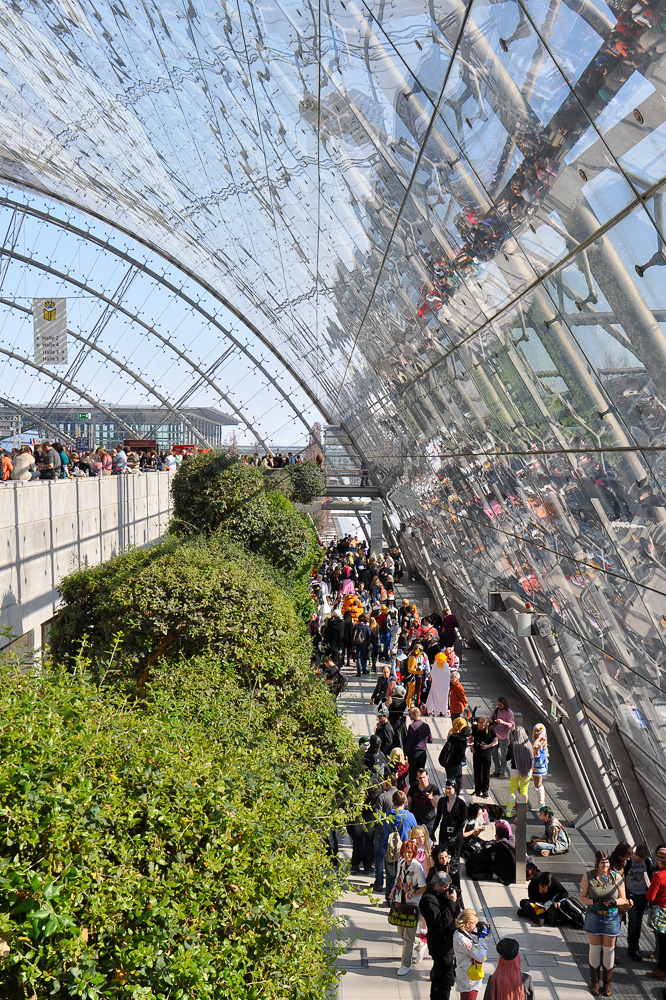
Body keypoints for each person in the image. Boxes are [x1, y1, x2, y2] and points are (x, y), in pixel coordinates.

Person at [580, 848, 631, 995]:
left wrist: (613, 901)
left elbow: (623, 898)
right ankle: (595, 982)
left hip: (611, 916)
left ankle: (607, 982)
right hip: (594, 915)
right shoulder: (588, 876)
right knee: (595, 949)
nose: (605, 866)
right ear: (596, 863)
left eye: (607, 863)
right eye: (602, 863)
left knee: (609, 950)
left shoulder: (616, 877)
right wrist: (594, 902)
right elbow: (582, 897)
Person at [391, 839, 427, 976]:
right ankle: (420, 945)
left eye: (410, 853)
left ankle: (406, 964)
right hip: (402, 903)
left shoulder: (417, 867)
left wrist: (412, 891)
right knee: (401, 932)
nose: (407, 855)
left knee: (408, 937)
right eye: (406, 852)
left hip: (414, 905)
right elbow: (399, 879)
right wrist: (394, 889)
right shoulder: (401, 863)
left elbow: (423, 887)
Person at [420, 872, 458, 1000]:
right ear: (437, 885)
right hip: (440, 944)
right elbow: (441, 921)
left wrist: (452, 899)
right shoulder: (428, 900)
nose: (448, 889)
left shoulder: (439, 894)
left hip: (444, 941)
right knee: (446, 979)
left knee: (438, 976)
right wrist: (451, 902)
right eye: (446, 887)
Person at [382, 790, 417, 903]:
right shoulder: (409, 816)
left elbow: (383, 830)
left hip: (389, 850)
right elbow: (415, 830)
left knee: (390, 876)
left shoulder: (387, 816)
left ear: (393, 801)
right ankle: (402, 899)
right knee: (403, 877)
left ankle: (390, 898)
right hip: (405, 853)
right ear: (404, 801)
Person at [625, 843, 655, 961]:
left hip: (642, 896)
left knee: (638, 922)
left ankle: (634, 946)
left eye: (643, 860)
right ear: (635, 854)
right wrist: (626, 896)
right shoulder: (629, 862)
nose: (641, 861)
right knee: (633, 922)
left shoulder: (647, 863)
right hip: (631, 895)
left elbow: (650, 877)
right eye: (639, 859)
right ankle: (632, 948)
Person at [453, 908, 489, 1000]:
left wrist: (485, 931)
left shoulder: (463, 932)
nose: (476, 927)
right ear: (468, 924)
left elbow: (477, 940)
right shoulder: (463, 940)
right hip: (468, 979)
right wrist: (482, 938)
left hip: (472, 974)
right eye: (475, 924)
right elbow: (481, 957)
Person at [645, 845, 666, 980]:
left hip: (662, 913)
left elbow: (650, 897)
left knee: (662, 942)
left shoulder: (659, 876)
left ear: (659, 861)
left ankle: (661, 970)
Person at [433, 778, 467, 858]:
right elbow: (438, 817)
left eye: (450, 788)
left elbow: (463, 821)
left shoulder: (461, 804)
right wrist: (433, 831)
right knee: (442, 854)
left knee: (455, 856)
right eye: (446, 788)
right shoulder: (442, 801)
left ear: (455, 789)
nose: (447, 790)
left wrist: (455, 836)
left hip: (456, 831)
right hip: (444, 830)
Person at [505, 727, 533, 818]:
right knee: (524, 790)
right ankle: (521, 811)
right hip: (527, 770)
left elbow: (507, 757)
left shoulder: (512, 745)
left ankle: (509, 811)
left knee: (512, 790)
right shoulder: (528, 744)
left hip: (514, 769)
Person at [439, 717, 469, 795]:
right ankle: (455, 794)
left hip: (448, 761)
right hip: (456, 763)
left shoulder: (451, 733)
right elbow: (461, 753)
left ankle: (448, 792)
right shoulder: (461, 739)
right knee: (458, 780)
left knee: (449, 778)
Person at [407, 769, 440, 838]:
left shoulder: (434, 789)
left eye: (424, 777)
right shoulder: (414, 787)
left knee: (428, 843)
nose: (422, 780)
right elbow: (409, 802)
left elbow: (437, 805)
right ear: (417, 778)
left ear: (427, 776)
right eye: (420, 778)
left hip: (429, 822)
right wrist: (409, 815)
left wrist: (431, 799)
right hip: (415, 821)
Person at [403, 706, 432, 785]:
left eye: (410, 714)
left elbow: (409, 742)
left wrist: (405, 753)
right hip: (423, 753)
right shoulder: (426, 726)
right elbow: (430, 740)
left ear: (415, 714)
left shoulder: (412, 727)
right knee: (421, 773)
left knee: (412, 773)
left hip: (413, 753)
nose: (409, 716)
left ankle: (413, 789)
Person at [490, 696, 515, 778]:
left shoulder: (509, 712)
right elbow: (492, 716)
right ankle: (497, 770)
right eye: (498, 704)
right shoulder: (496, 709)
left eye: (500, 705)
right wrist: (491, 720)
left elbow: (512, 725)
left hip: (504, 737)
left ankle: (502, 771)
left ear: (504, 704)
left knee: (504, 755)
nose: (499, 706)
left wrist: (503, 722)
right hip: (495, 735)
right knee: (494, 754)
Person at [472, 716, 497, 798]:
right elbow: (470, 738)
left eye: (482, 726)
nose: (480, 727)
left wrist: (488, 746)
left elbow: (495, 741)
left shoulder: (490, 730)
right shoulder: (475, 728)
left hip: (486, 753)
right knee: (477, 771)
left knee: (486, 773)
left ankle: (485, 790)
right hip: (477, 753)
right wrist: (472, 748)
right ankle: (477, 789)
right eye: (479, 725)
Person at [426, 648, 452, 717]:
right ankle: (443, 711)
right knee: (444, 698)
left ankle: (435, 711)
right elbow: (447, 674)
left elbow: (432, 673)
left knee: (434, 697)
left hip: (436, 685)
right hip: (444, 686)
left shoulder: (435, 664)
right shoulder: (445, 664)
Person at [531, 723, 549, 809]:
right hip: (535, 763)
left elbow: (534, 746)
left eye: (538, 731)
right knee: (536, 784)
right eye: (535, 731)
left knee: (538, 784)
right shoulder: (537, 740)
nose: (536, 732)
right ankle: (540, 803)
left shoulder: (543, 741)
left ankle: (541, 803)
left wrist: (538, 738)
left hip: (539, 764)